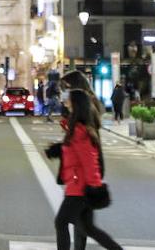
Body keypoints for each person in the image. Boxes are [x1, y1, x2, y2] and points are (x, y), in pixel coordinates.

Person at [49, 88, 123, 250]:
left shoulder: (79, 131)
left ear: (76, 104)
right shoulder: (75, 129)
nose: (65, 102)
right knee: (89, 228)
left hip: (80, 187)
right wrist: (59, 149)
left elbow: (89, 161)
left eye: (69, 99)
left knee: (61, 222)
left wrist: (94, 186)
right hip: (79, 185)